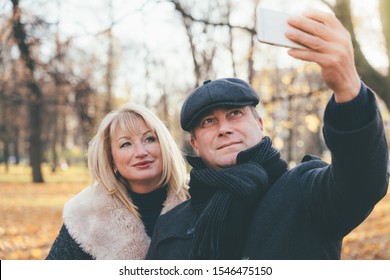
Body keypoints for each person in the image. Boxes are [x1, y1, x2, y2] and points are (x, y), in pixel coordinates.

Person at [146, 9, 389, 259]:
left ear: (259, 123)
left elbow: (363, 182)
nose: (224, 128)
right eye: (209, 122)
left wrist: (349, 90)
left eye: (234, 114)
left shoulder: (305, 191)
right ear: (195, 145)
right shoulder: (169, 227)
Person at [46, 104, 188, 259]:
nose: (141, 152)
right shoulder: (86, 215)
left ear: (164, 146)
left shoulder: (200, 198)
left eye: (149, 139)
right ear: (111, 159)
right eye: (126, 144)